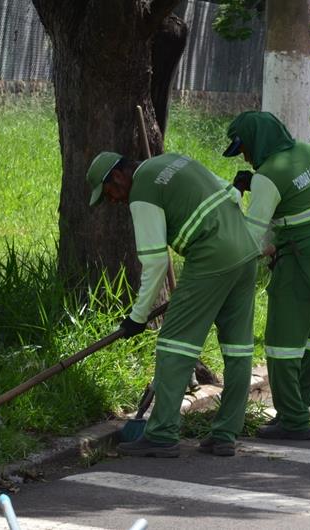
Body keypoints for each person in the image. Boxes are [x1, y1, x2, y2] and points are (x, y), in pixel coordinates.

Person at [87, 151, 259, 457]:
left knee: (174, 344)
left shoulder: (142, 192)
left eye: (110, 194)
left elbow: (153, 262)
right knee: (238, 349)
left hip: (211, 255)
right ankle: (225, 434)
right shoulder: (172, 161)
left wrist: (137, 317)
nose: (113, 202)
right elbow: (230, 194)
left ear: (117, 176)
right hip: (245, 250)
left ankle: (162, 434)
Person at [223, 111, 310, 440]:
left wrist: (237, 196)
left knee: (281, 343)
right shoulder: (309, 151)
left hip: (302, 261)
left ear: (257, 142)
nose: (246, 157)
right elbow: (300, 200)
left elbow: (251, 238)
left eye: (245, 149)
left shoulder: (268, 176)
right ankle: (298, 409)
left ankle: (292, 420)